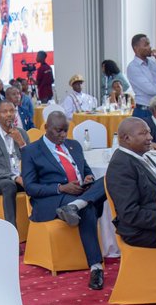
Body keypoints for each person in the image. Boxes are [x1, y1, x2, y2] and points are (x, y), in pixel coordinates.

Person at [21, 111, 107, 290]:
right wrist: (61, 188)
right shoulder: (31, 151)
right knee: (88, 208)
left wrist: (89, 177)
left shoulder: (74, 145)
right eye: (58, 131)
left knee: (109, 178)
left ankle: (77, 204)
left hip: (78, 193)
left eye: (65, 131)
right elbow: (30, 187)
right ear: (46, 128)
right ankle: (96, 267)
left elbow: (85, 169)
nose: (62, 135)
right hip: (51, 199)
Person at [105, 117, 156, 249]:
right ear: (126, 138)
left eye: (149, 132)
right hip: (140, 232)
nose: (150, 137)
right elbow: (130, 214)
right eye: (143, 133)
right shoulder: (121, 165)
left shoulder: (141, 156)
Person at [126, 34, 156, 122]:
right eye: (146, 45)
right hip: (144, 111)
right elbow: (151, 90)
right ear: (136, 48)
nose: (150, 47)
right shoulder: (133, 67)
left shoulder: (152, 64)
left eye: (149, 44)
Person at [0, 0, 29, 80]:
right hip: (3, 87)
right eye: (1, 3)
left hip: (17, 84)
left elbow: (23, 63)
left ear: (10, 3)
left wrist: (24, 50)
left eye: (6, 2)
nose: (4, 6)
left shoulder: (18, 27)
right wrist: (2, 39)